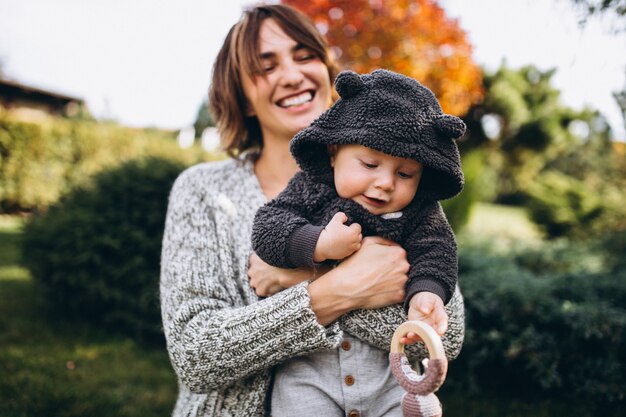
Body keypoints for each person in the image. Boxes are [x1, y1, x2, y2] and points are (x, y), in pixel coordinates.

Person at [159, 4, 465, 417]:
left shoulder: (405, 199)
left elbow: (446, 337)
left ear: (327, 72)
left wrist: (299, 279)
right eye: (265, 67)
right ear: (242, 96)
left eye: (305, 56)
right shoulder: (203, 191)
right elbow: (196, 354)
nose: (291, 74)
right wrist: (340, 288)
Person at [251, 68, 464, 415]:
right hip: (310, 369)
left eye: (405, 173)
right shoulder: (311, 188)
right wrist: (319, 244)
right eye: (369, 164)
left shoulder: (420, 213)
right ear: (334, 151)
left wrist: (426, 294)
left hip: (386, 373)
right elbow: (268, 227)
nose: (385, 183)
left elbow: (437, 252)